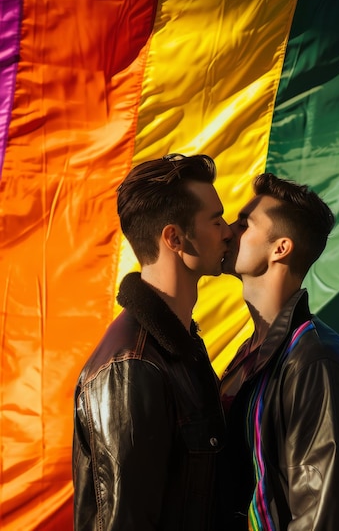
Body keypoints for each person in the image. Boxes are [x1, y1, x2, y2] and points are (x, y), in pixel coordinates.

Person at [217, 173, 339, 530]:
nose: (228, 231)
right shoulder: (253, 354)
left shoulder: (317, 364)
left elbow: (325, 516)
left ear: (280, 248)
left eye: (244, 224)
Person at [72, 153, 232, 531]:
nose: (228, 231)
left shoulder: (180, 348)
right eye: (216, 220)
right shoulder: (133, 368)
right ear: (175, 238)